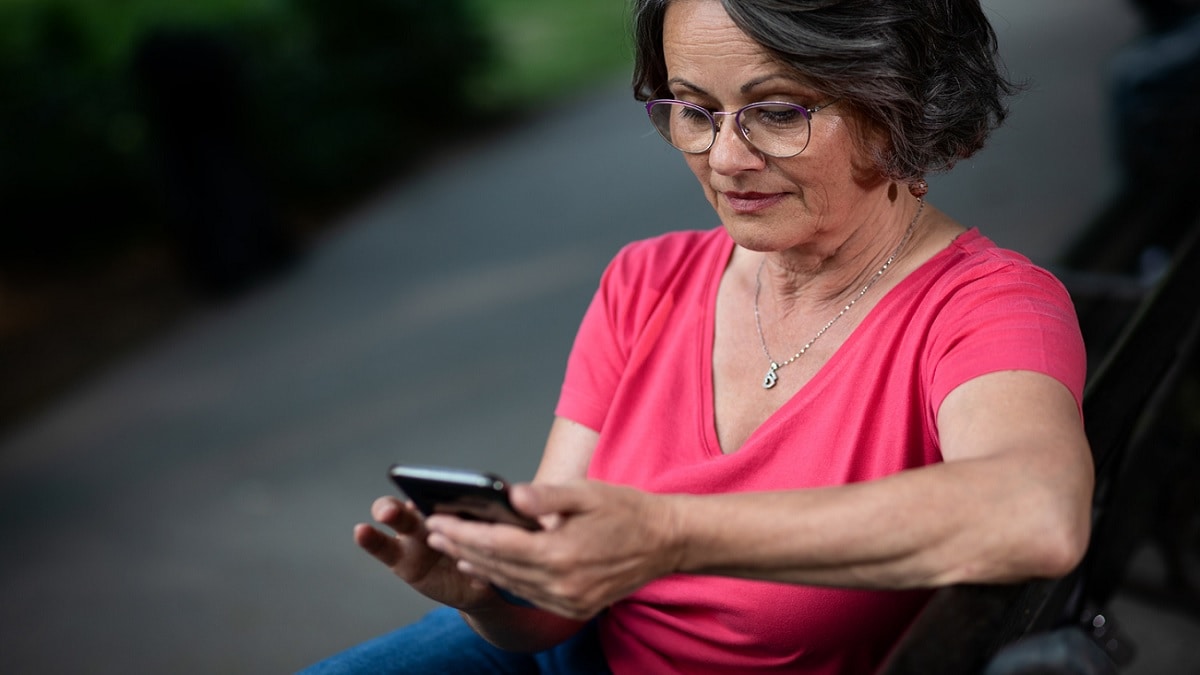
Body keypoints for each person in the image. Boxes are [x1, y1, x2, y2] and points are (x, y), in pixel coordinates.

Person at [302, 0, 1094, 672]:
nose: (725, 158)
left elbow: (1034, 510)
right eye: (694, 110)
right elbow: (555, 612)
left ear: (903, 108)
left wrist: (669, 534)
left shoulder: (985, 307)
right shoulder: (646, 282)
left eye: (777, 112)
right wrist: (492, 591)